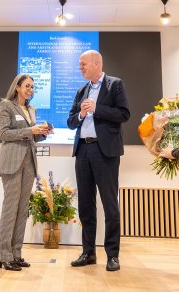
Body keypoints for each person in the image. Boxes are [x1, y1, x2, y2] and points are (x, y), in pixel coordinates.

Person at [67, 50, 130, 271]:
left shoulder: (115, 84)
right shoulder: (81, 90)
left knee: (110, 205)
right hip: (83, 151)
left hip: (106, 153)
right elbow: (70, 121)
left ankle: (112, 255)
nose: (80, 67)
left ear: (96, 63)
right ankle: (88, 252)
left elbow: (124, 114)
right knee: (85, 205)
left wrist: (97, 109)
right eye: (79, 64)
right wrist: (82, 115)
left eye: (83, 64)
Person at [0, 74, 51, 271]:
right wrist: (31, 131)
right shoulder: (6, 105)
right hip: (11, 162)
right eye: (27, 86)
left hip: (29, 163)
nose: (30, 90)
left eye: (32, 87)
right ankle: (4, 255)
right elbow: (4, 134)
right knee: (10, 209)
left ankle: (16, 253)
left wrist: (41, 133)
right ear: (17, 87)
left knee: (22, 211)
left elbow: (31, 139)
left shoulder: (31, 109)